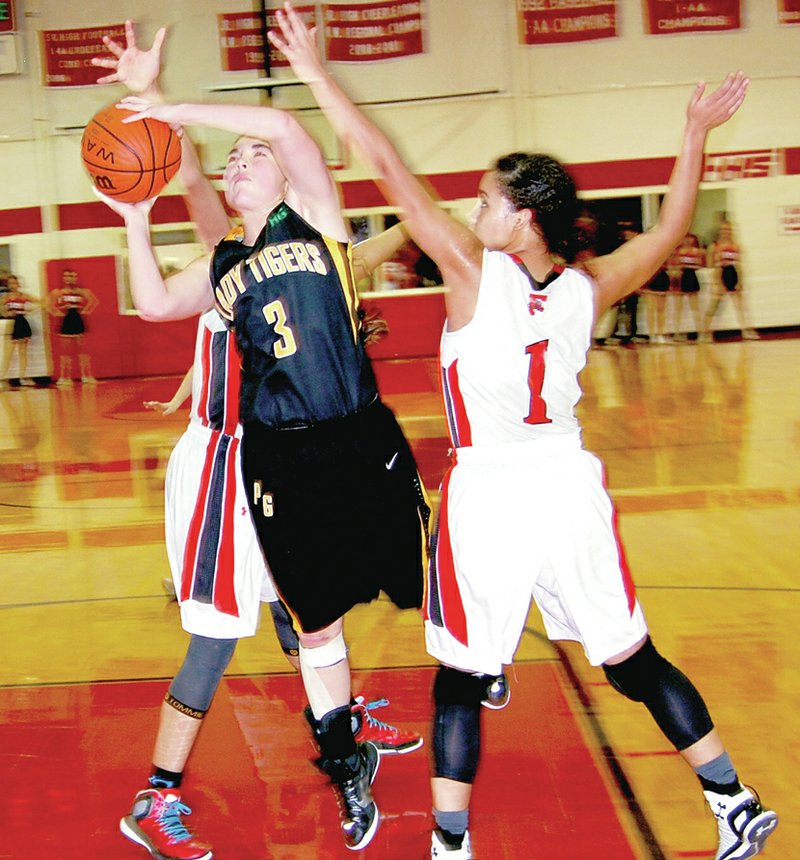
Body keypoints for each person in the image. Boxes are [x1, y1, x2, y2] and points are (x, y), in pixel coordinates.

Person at [269, 8, 778, 860]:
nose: (473, 209)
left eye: (486, 199)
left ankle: (451, 846)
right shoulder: (589, 286)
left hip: (494, 492)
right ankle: (730, 796)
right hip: (570, 484)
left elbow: (387, 168)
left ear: (523, 216)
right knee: (631, 659)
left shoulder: (473, 274)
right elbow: (670, 230)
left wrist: (319, 76)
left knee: (464, 676)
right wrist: (693, 134)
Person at [91, 19, 430, 855]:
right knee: (269, 621)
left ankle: (347, 717)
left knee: (350, 595)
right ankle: (301, 755)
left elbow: (279, 126)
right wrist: (134, 219)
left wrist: (165, 103)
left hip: (348, 440)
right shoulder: (223, 264)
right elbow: (154, 303)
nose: (240, 159)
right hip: (254, 458)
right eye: (231, 159)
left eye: (252, 156)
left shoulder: (313, 216)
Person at [702, 218, 758, 341]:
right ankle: (705, 333)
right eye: (723, 229)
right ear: (719, 231)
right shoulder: (714, 246)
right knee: (714, 306)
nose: (726, 232)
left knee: (741, 306)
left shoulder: (736, 246)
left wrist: (740, 281)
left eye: (728, 229)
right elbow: (712, 267)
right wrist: (716, 283)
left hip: (733, 274)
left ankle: (746, 331)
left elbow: (739, 265)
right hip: (721, 274)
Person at [47, 268, 98, 385]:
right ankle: (65, 377)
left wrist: (86, 310)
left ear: (76, 278)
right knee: (65, 351)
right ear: (63, 278)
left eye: (72, 276)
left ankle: (87, 376)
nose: (69, 279)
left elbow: (94, 301)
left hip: (78, 320)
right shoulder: (58, 292)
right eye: (67, 276)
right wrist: (56, 312)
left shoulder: (82, 291)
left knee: (83, 351)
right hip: (66, 320)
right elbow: (48, 303)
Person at [1, 275, 38, 389]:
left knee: (23, 353)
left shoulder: (24, 296)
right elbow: (2, 307)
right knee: (8, 353)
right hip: (12, 324)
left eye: (14, 283)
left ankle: (23, 377)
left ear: (18, 284)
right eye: (10, 283)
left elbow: (41, 302)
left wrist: (30, 310)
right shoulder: (6, 297)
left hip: (22, 323)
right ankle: (2, 377)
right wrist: (5, 313)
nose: (13, 286)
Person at [673, 232, 705, 340]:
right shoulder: (678, 252)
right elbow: (675, 266)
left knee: (695, 307)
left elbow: (700, 265)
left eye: (689, 239)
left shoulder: (697, 252)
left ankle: (700, 332)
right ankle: (677, 332)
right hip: (682, 277)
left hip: (691, 276)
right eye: (685, 239)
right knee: (678, 308)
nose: (687, 241)